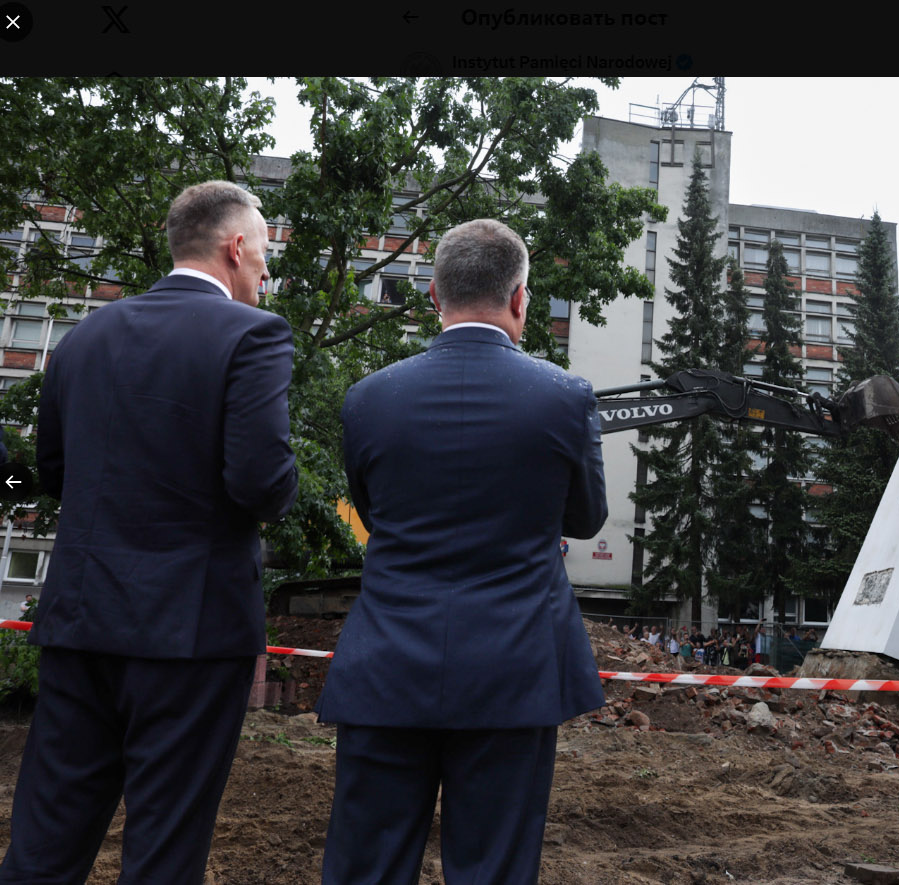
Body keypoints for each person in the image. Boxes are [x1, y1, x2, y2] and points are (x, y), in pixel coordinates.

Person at [0, 180, 297, 885]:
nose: (265, 269)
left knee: (44, 840)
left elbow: (53, 468)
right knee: (165, 847)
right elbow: (261, 482)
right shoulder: (255, 334)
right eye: (263, 252)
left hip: (81, 620)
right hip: (191, 635)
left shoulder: (85, 337)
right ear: (235, 246)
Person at [317, 219, 607, 885]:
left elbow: (371, 513)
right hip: (514, 672)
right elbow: (587, 518)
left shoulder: (367, 399)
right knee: (494, 869)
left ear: (432, 296)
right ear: (519, 298)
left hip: (386, 666)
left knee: (366, 866)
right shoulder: (566, 397)